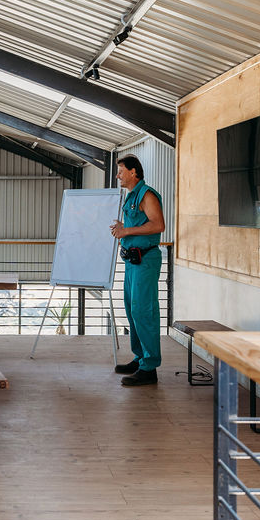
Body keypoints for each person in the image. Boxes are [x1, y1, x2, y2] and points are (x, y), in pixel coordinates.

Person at [109, 155, 165, 387]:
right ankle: (140, 357)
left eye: (121, 170)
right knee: (132, 311)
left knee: (144, 311)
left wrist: (127, 231)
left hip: (146, 260)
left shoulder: (147, 194)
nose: (118, 175)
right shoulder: (130, 197)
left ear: (134, 172)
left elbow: (158, 225)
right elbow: (133, 227)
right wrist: (123, 230)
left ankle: (149, 367)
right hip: (132, 261)